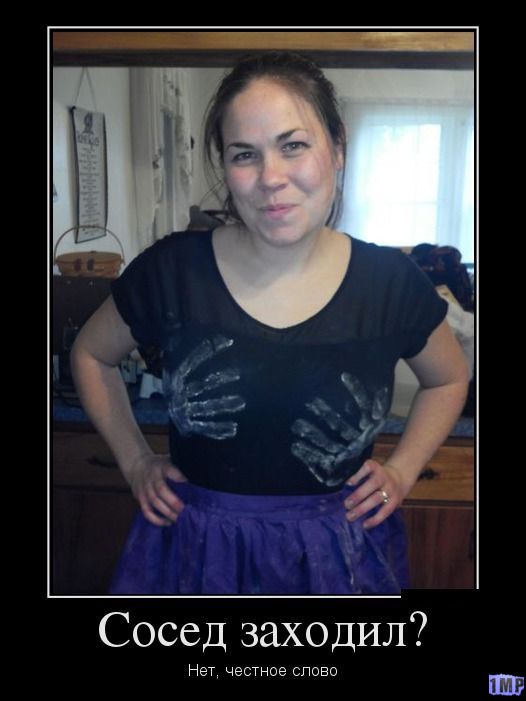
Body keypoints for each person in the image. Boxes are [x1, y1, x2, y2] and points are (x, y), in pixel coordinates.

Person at [70, 51, 470, 595]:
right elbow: (91, 355)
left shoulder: (391, 283)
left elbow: (448, 378)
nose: (271, 178)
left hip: (335, 560)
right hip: (195, 554)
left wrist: (401, 470)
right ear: (224, 166)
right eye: (245, 154)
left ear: (338, 148)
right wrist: (136, 460)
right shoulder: (171, 271)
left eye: (293, 145)